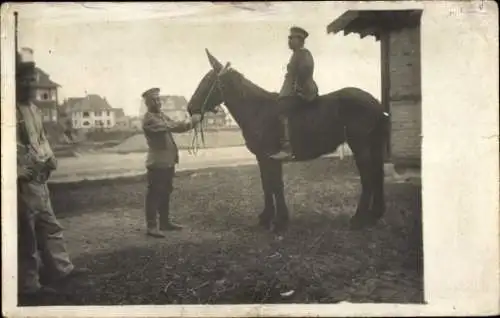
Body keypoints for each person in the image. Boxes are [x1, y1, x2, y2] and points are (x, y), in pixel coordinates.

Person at [16, 51, 89, 298]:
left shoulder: (34, 110)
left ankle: (61, 269)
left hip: (39, 179)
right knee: (25, 234)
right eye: (22, 80)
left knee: (50, 225)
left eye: (30, 81)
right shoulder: (7, 110)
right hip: (20, 184)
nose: (28, 85)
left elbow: (41, 139)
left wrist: (51, 158)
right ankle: (29, 285)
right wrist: (14, 171)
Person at [141, 88, 202, 238]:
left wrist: (192, 121)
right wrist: (192, 122)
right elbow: (173, 127)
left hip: (168, 162)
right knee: (154, 194)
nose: (157, 102)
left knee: (166, 192)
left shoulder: (160, 115)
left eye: (158, 99)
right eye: (153, 100)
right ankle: (151, 226)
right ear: (147, 103)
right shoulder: (149, 119)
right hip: (157, 164)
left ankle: (164, 222)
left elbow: (175, 124)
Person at [270, 26, 319, 161]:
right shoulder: (297, 53)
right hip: (292, 91)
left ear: (300, 40)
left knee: (283, 111)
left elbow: (305, 70)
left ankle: (287, 148)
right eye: (289, 38)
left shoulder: (304, 53)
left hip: (303, 91)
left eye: (292, 38)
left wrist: (298, 88)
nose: (289, 40)